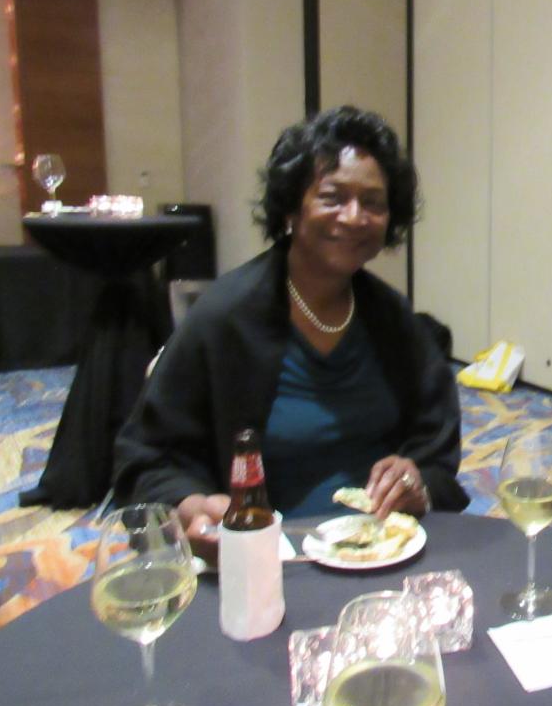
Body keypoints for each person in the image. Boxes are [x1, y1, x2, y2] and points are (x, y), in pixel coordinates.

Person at [113, 106, 468, 559]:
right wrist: (192, 509)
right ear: (291, 208)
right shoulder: (224, 317)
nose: (354, 216)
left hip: (383, 551)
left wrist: (415, 480)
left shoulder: (393, 318)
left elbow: (435, 448)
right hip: (266, 558)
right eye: (332, 197)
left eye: (373, 202)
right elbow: (145, 459)